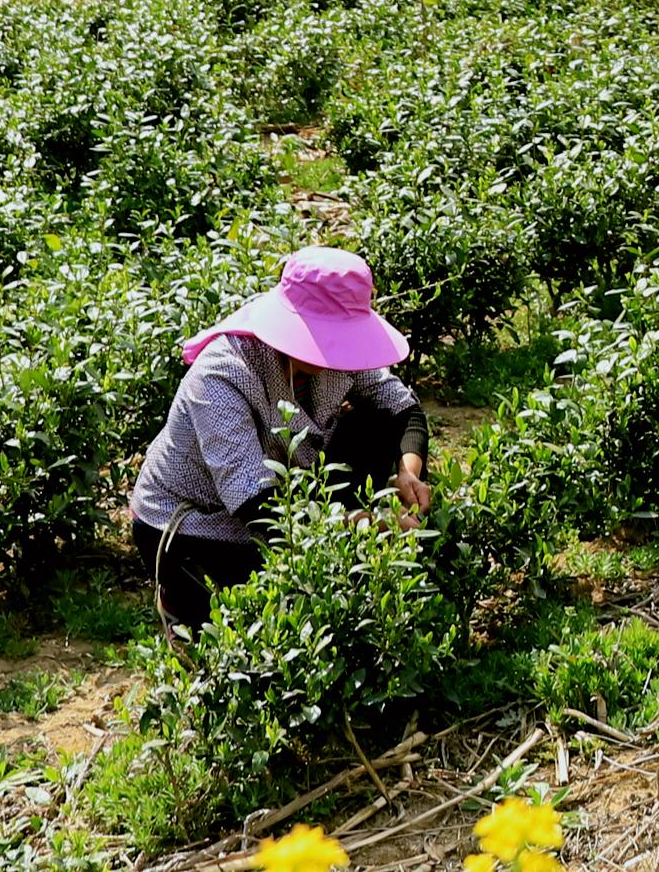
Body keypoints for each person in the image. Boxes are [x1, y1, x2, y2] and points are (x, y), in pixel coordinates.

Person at [125, 246, 431, 631]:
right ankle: (178, 594)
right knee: (254, 624)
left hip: (286, 489)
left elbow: (404, 410)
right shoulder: (223, 374)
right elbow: (254, 503)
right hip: (194, 522)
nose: (334, 352)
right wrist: (360, 526)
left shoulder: (343, 359)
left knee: (372, 423)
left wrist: (407, 473)